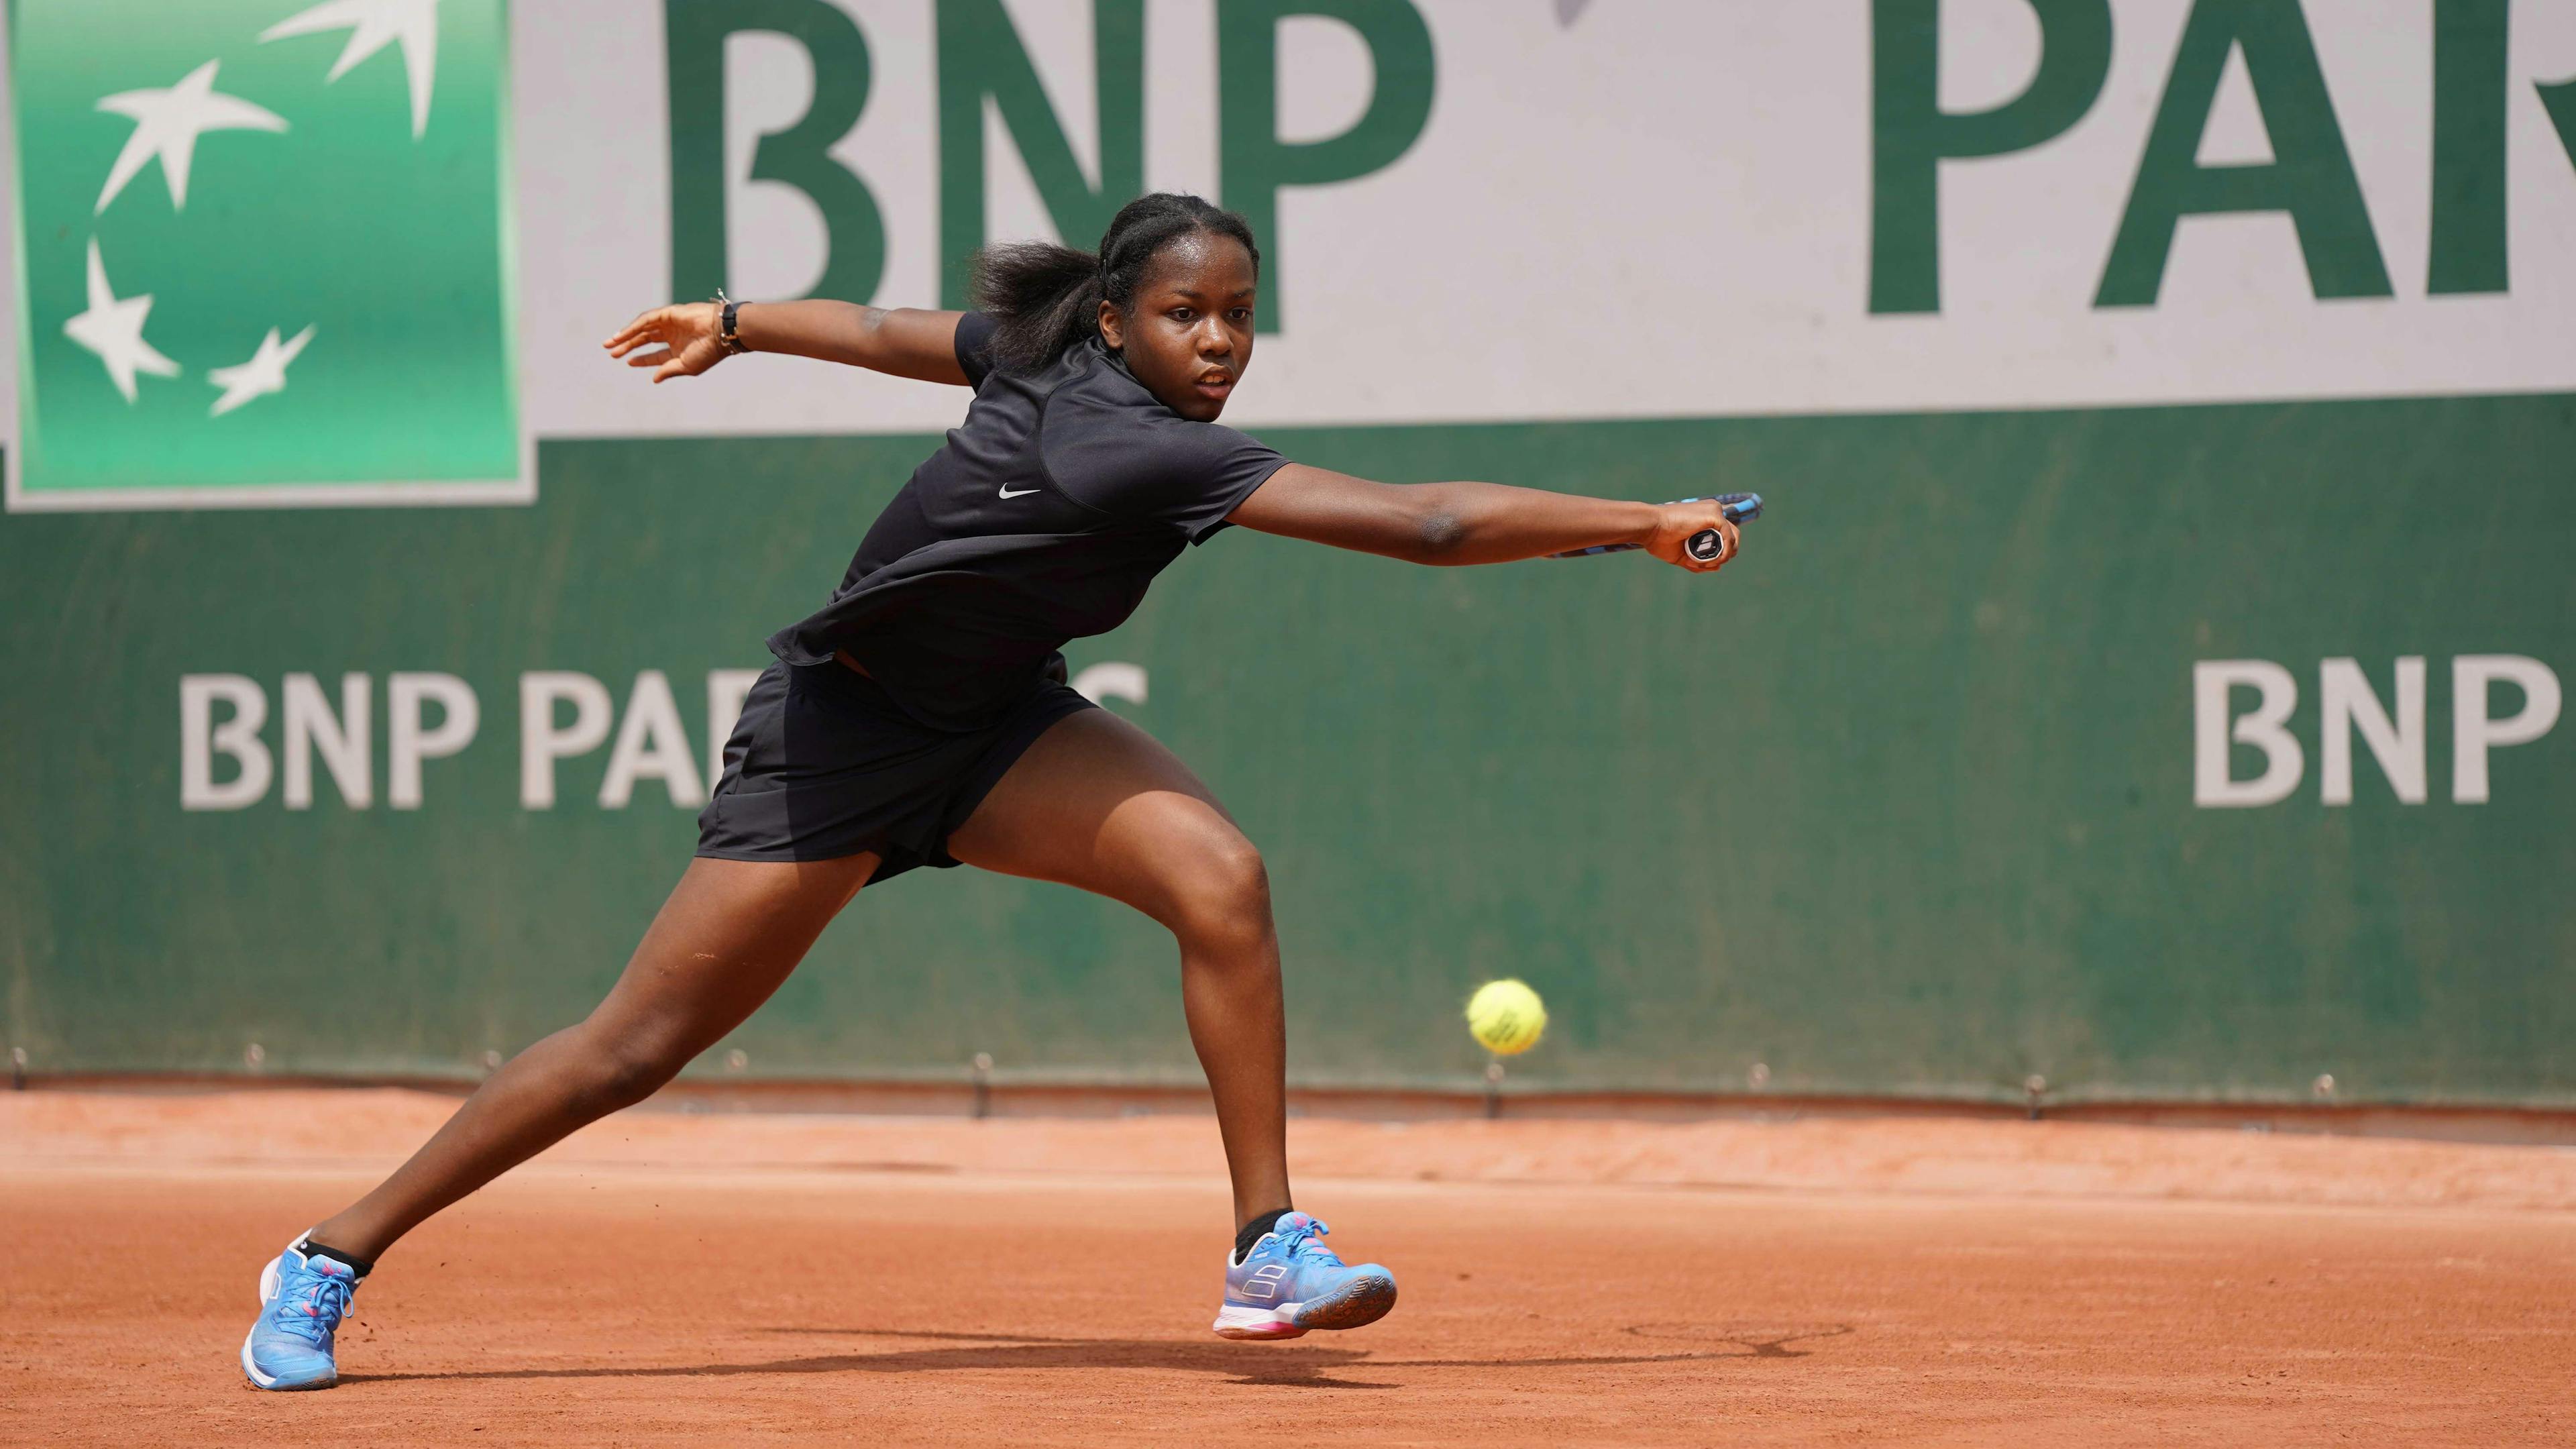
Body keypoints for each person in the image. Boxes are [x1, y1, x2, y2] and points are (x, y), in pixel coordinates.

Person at [240, 193, 1741, 1390]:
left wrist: (740, 321)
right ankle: (328, 1254)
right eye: (1185, 313)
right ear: (1115, 318)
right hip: (842, 736)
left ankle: (1267, 1247)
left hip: (1001, 729)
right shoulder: (1131, 445)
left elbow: (897, 330)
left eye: (1237, 316)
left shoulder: (1048, 355)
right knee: (628, 1052)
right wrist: (1641, 520)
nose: (1217, 342)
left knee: (1219, 876)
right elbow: (1424, 525)